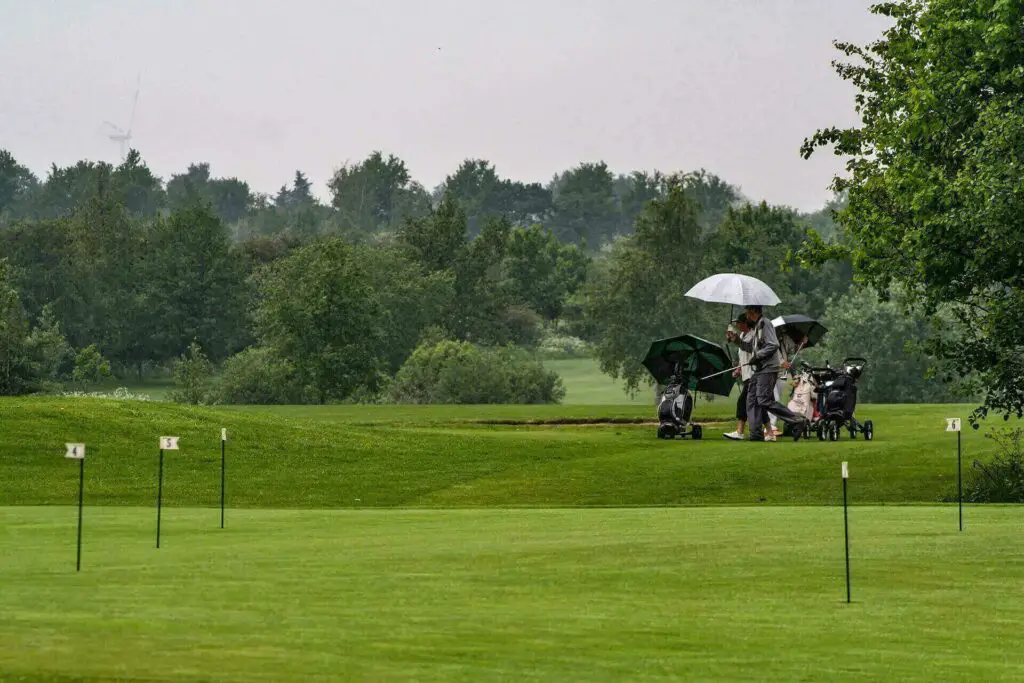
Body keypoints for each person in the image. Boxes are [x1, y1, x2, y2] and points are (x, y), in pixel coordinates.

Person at [728, 305, 809, 441]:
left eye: (748, 313)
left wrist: (757, 356)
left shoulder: (765, 324)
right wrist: (736, 340)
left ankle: (796, 420)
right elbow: (750, 348)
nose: (747, 317)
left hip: (768, 368)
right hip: (759, 370)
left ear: (753, 313)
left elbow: (773, 344)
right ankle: (756, 433)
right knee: (751, 399)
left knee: (764, 400)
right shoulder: (756, 328)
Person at [723, 315, 754, 440]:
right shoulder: (742, 336)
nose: (737, 325)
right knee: (757, 404)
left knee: (743, 402)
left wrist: (735, 339)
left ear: (746, 324)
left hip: (754, 374)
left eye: (739, 323)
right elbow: (743, 357)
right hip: (746, 374)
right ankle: (768, 431)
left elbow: (749, 349)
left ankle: (740, 432)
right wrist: (738, 369)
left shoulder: (753, 336)